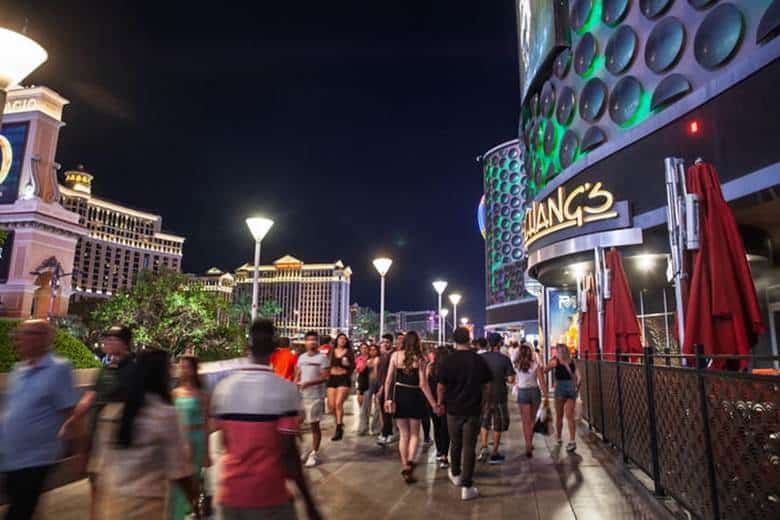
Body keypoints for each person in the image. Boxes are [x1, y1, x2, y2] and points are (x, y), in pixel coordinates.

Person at [212, 319, 320, 520]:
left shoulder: (224, 388)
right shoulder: (285, 390)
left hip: (231, 495)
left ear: (248, 347)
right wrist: (310, 504)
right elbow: (289, 455)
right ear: (274, 348)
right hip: (270, 496)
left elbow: (223, 443)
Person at [90, 349, 199, 518]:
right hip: (145, 508)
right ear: (161, 376)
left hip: (111, 504)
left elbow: (97, 467)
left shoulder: (111, 412)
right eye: (169, 370)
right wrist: (194, 501)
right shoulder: (165, 415)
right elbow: (180, 470)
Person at [0, 320, 77, 520]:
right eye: (19, 334)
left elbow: (70, 411)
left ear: (44, 338)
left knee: (19, 510)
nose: (19, 339)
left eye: (27, 334)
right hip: (11, 455)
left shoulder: (59, 369)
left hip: (37, 457)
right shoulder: (18, 369)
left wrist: (77, 448)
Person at [60, 324, 136, 520]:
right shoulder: (105, 369)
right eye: (106, 338)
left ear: (125, 343)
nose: (107, 342)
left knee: (114, 492)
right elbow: (90, 396)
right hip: (97, 437)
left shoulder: (133, 370)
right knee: (96, 482)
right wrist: (73, 420)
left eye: (113, 339)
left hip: (118, 443)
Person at [436, 327, 491, 501]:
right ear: (469, 339)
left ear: (454, 340)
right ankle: (467, 486)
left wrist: (440, 403)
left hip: (453, 409)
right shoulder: (478, 360)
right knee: (469, 446)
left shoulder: (447, 360)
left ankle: (455, 473)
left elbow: (441, 386)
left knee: (455, 442)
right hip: (473, 409)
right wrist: (484, 404)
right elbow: (487, 386)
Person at [383, 331, 439, 483]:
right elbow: (423, 384)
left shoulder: (395, 356)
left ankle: (404, 464)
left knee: (403, 434)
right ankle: (409, 463)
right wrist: (433, 403)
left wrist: (387, 399)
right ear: (417, 342)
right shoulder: (420, 359)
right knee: (414, 434)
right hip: (415, 396)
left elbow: (388, 380)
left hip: (400, 394)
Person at [170, 355, 211, 520]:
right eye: (181, 367)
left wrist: (207, 452)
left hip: (197, 439)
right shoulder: (174, 393)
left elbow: (206, 423)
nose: (183, 370)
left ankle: (193, 511)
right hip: (179, 440)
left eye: (187, 367)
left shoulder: (202, 394)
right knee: (178, 481)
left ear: (194, 370)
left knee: (193, 480)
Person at [478, 333, 515, 464]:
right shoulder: (504, 359)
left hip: (484, 396)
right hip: (499, 395)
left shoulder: (480, 358)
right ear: (499, 343)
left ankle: (483, 447)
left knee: (484, 422)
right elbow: (511, 379)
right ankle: (494, 453)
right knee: (498, 424)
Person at [296, 330, 331, 468]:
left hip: (315, 396)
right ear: (305, 342)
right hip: (301, 396)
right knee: (295, 423)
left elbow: (325, 376)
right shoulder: (301, 357)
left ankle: (314, 453)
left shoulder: (322, 358)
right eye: (309, 340)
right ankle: (304, 447)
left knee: (314, 426)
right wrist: (296, 383)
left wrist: (309, 383)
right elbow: (298, 373)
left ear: (318, 342)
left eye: (314, 340)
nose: (312, 342)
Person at [546, 343, 581, 452]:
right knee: (570, 416)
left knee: (559, 416)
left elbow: (544, 370)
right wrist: (576, 389)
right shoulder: (572, 361)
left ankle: (559, 438)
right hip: (571, 388)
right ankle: (572, 441)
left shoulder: (555, 362)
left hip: (560, 388)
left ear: (558, 352)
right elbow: (579, 377)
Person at [514, 343, 547, 457]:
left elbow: (513, 379)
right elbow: (541, 381)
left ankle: (527, 444)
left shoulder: (516, 364)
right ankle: (530, 442)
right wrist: (546, 395)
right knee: (532, 420)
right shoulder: (535, 364)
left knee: (525, 421)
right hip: (534, 392)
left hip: (522, 392)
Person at [375, 332, 403, 445]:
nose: (385, 344)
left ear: (391, 343)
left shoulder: (393, 355)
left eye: (387, 342)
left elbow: (389, 375)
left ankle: (387, 434)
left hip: (389, 387)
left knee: (387, 411)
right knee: (384, 411)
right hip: (381, 385)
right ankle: (387, 432)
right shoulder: (382, 355)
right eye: (383, 342)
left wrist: (382, 388)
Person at [326, 333, 354, 441]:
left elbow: (353, 366)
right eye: (340, 338)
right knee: (331, 406)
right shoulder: (331, 351)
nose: (342, 340)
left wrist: (347, 365)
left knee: (338, 403)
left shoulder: (349, 352)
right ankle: (339, 423)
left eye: (344, 339)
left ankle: (338, 429)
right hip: (332, 378)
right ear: (337, 340)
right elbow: (327, 364)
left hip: (343, 378)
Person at [427, 345, 451, 468]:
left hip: (432, 401)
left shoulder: (431, 367)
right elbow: (442, 387)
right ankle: (444, 456)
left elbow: (425, 383)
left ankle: (439, 451)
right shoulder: (449, 368)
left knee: (436, 426)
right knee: (445, 428)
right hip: (445, 401)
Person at [357, 344, 381, 436]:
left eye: (374, 350)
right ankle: (363, 428)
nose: (372, 351)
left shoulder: (379, 359)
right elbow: (360, 371)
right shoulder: (367, 360)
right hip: (368, 384)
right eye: (370, 350)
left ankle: (376, 428)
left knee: (378, 407)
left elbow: (377, 372)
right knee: (365, 406)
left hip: (378, 383)